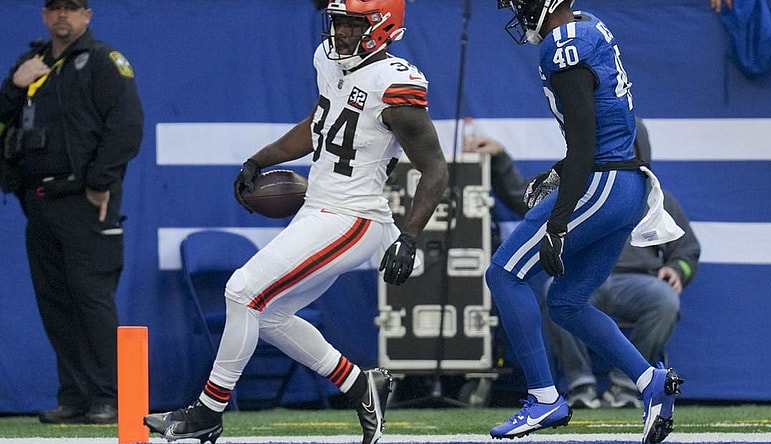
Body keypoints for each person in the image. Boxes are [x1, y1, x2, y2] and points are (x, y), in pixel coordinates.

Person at [143, 1, 449, 444]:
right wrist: (260, 157)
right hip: (320, 207)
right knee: (267, 313)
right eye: (337, 21)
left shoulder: (395, 84)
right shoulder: (330, 61)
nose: (340, 31)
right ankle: (361, 385)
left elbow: (435, 167)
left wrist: (409, 235)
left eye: (352, 23)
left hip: (353, 217)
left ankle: (208, 411)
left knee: (242, 291)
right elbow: (320, 124)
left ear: (382, 28)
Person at [488, 2, 683, 443]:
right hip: (625, 185)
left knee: (503, 274)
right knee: (567, 302)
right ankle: (649, 381)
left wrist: (558, 222)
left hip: (603, 181)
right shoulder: (589, 24)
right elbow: (597, 126)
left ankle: (543, 399)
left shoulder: (563, 46)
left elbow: (584, 144)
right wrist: (560, 173)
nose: (520, 10)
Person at [466, 120, 700, 411]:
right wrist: (499, 158)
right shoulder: (580, 187)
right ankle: (580, 385)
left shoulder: (653, 198)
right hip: (583, 279)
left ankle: (630, 384)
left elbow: (687, 249)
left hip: (637, 282)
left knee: (665, 299)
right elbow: (526, 198)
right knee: (558, 296)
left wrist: (678, 269)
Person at [0, 0, 143, 425]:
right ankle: (75, 396)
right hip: (37, 201)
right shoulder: (30, 63)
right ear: (44, 16)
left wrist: (101, 182)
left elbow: (126, 125)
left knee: (91, 298)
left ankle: (107, 396)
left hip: (86, 200)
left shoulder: (104, 61)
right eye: (54, 8)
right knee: (55, 301)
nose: (62, 15)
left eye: (71, 7)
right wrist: (13, 84)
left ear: (87, 15)